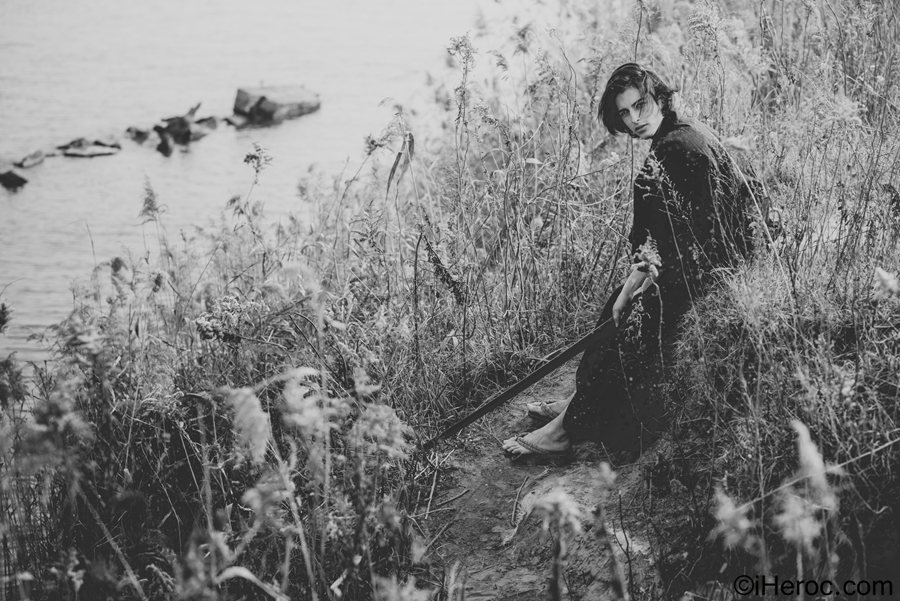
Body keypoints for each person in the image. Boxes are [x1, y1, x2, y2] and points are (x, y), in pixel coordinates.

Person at [502, 63, 764, 459]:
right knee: (617, 304)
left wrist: (634, 292)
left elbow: (677, 243)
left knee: (630, 320)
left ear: (659, 97)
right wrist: (630, 286)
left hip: (714, 275)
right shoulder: (681, 133)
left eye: (640, 105)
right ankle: (580, 401)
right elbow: (670, 235)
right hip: (713, 263)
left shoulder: (674, 148)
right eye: (624, 112)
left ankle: (563, 430)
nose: (634, 119)